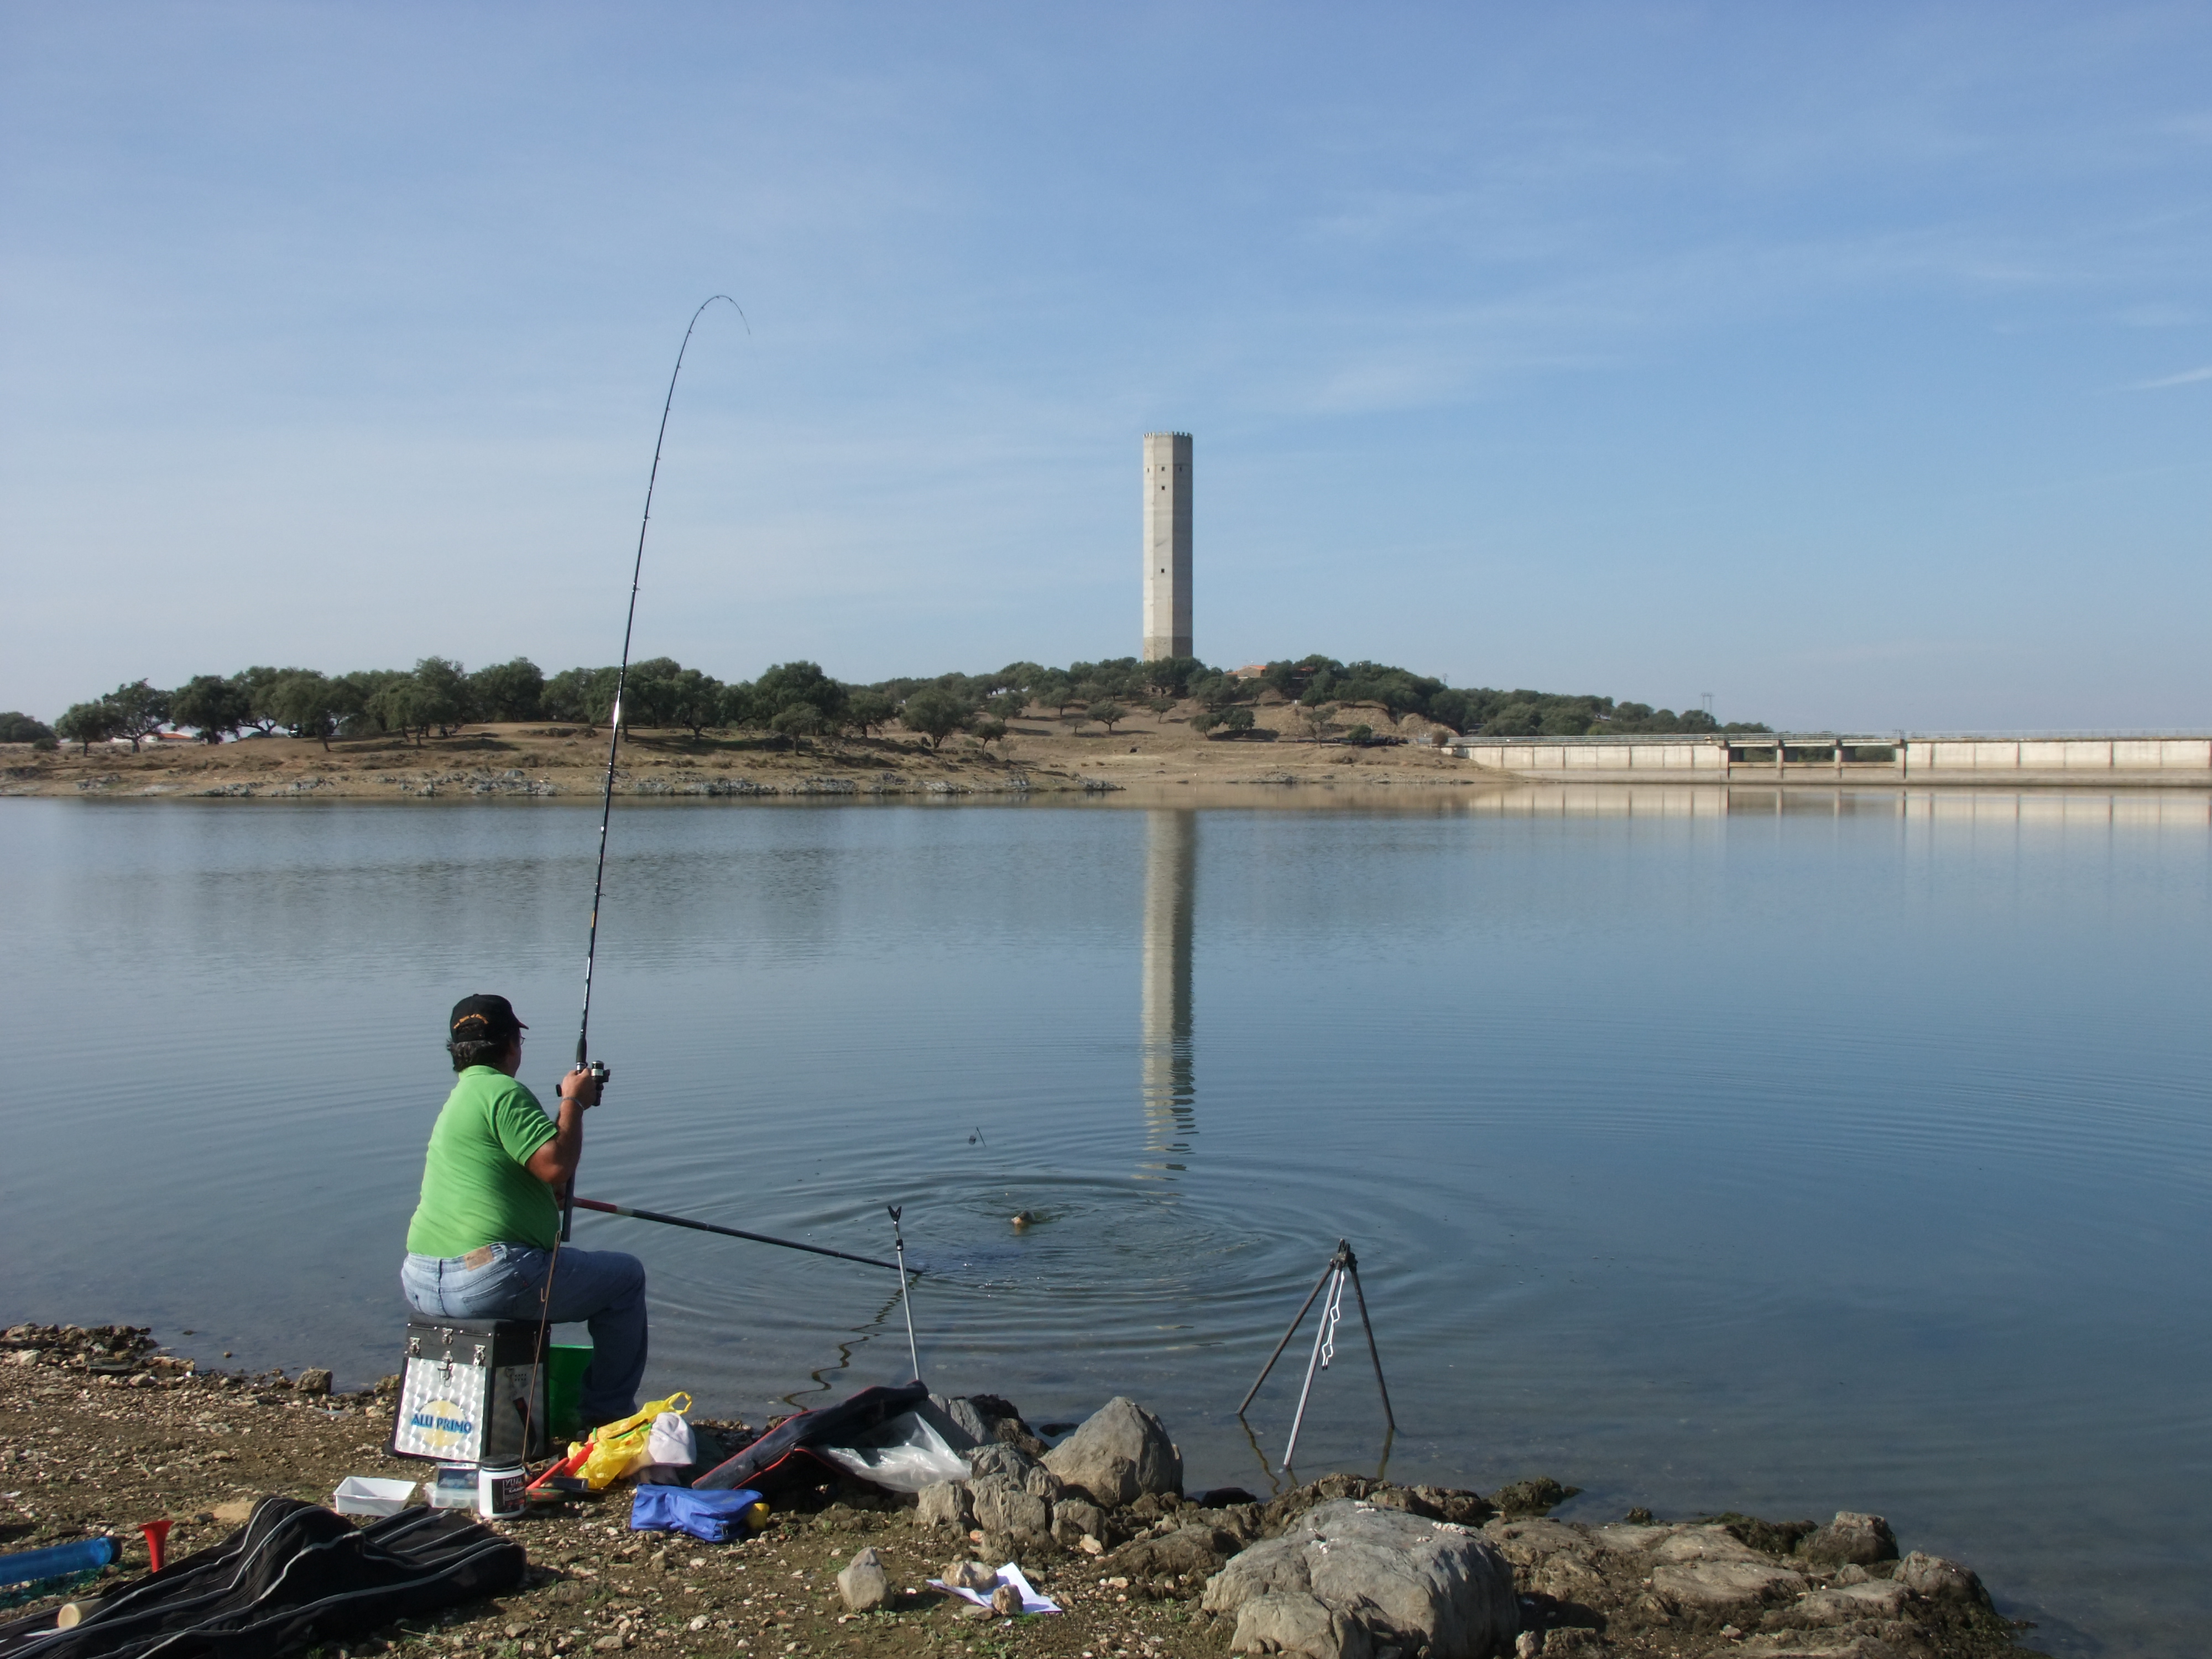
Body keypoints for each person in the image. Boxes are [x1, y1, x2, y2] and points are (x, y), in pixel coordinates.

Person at [400, 993, 647, 1429]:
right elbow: (555, 1165)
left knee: (541, 1273)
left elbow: (507, 1178)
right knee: (625, 1279)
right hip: (481, 1281)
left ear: (457, 1050)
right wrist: (574, 1101)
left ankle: (501, 1411)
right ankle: (606, 1415)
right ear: (513, 1044)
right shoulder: (503, 1093)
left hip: (421, 1279)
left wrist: (541, 1199)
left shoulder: (459, 1100)